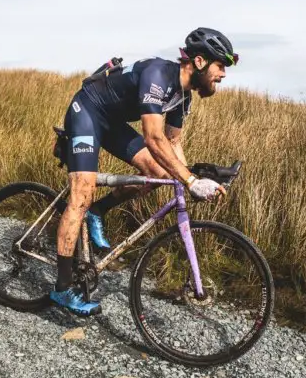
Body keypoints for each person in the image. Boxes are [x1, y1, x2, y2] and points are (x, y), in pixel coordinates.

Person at [50, 27, 239, 316]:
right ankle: (62, 288)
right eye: (220, 66)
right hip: (87, 111)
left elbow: (173, 142)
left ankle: (98, 211)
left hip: (112, 123)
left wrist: (192, 177)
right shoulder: (159, 76)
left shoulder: (184, 96)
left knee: (159, 174)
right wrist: (189, 180)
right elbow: (153, 137)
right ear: (199, 62)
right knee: (82, 193)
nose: (223, 74)